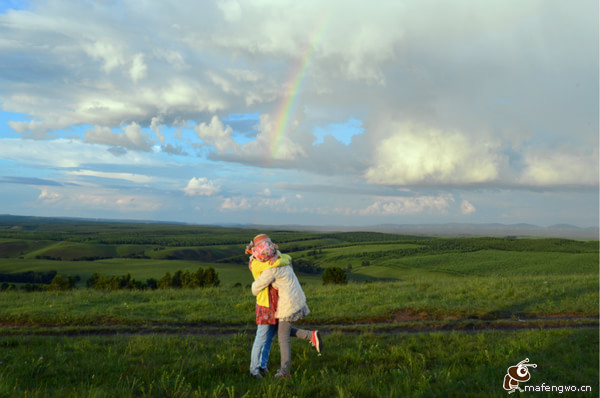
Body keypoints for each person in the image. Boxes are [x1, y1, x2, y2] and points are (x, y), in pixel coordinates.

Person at [249, 234, 322, 378]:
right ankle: (310, 336)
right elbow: (283, 257)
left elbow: (254, 288)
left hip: (285, 303)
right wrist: (276, 257)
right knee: (273, 333)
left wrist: (273, 259)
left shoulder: (273, 267)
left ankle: (282, 371)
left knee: (280, 336)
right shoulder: (277, 260)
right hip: (281, 301)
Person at [246, 234, 284, 379]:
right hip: (265, 304)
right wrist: (277, 255)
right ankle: (253, 370)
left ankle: (262, 365)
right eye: (266, 244)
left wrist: (277, 254)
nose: (269, 246)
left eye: (270, 244)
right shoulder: (256, 263)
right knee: (261, 337)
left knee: (269, 337)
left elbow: (286, 258)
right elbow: (279, 262)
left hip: (276, 303)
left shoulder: (269, 258)